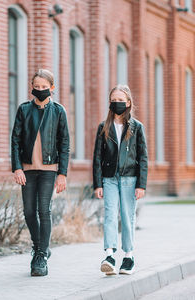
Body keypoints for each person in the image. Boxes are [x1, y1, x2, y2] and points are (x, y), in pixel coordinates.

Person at [11, 69, 70, 276]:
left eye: (44, 87)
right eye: (37, 87)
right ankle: (40, 247)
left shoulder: (59, 111)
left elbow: (64, 143)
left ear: (51, 88)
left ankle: (41, 257)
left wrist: (62, 173)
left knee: (44, 211)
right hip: (27, 169)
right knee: (28, 212)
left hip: (48, 169)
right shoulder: (24, 109)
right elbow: (15, 140)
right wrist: (17, 167)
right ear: (32, 87)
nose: (40, 90)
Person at [93, 84, 148, 275]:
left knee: (127, 217)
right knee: (109, 216)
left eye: (121, 100)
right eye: (114, 100)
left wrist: (141, 184)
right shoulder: (104, 127)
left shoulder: (137, 127)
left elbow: (143, 158)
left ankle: (128, 257)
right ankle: (109, 255)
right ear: (110, 103)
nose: (117, 103)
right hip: (109, 179)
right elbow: (97, 158)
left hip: (129, 179)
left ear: (128, 103)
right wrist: (97, 183)